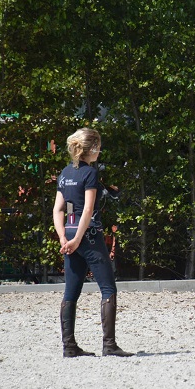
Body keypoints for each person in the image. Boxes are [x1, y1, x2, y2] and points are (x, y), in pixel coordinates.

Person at [52, 128, 133, 358]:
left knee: (71, 292)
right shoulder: (90, 174)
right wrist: (78, 238)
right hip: (87, 236)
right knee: (108, 288)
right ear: (93, 148)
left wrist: (64, 238)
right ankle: (109, 345)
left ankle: (69, 346)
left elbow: (59, 209)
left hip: (68, 234)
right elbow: (88, 209)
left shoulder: (65, 173)